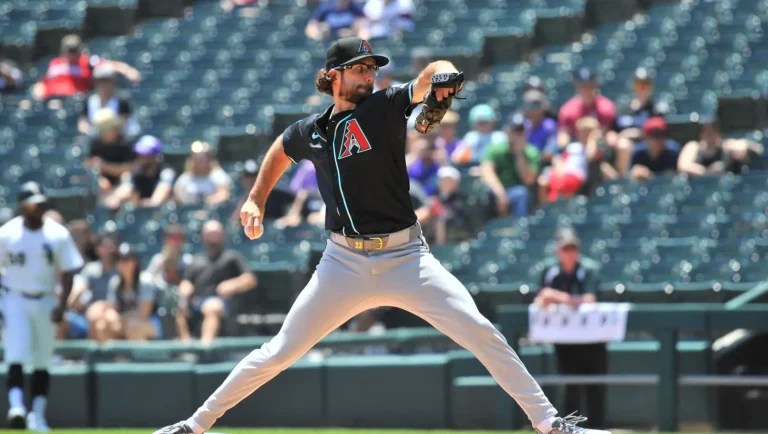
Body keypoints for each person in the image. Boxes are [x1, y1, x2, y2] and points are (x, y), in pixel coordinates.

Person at [153, 37, 609, 434]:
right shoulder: (310, 131)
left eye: (373, 67)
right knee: (277, 353)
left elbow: (430, 76)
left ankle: (550, 425)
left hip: (406, 256)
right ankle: (193, 426)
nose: (369, 74)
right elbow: (280, 149)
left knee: (480, 330)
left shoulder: (385, 107)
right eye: (360, 68)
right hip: (342, 263)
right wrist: (255, 198)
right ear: (333, 76)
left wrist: (443, 74)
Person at [0, 182, 84, 431]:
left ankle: (37, 414)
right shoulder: (7, 233)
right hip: (14, 297)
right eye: (33, 203)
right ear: (22, 206)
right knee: (15, 355)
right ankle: (16, 408)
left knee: (42, 360)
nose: (39, 208)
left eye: (41, 203)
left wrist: (62, 305)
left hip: (46, 299)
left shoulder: (57, 233)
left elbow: (69, 271)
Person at [534, 228, 607, 429]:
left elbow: (590, 300)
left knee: (595, 387)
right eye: (565, 248)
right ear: (558, 251)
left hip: (592, 340)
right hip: (564, 340)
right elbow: (540, 299)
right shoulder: (549, 271)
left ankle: (597, 429)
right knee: (569, 387)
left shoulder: (589, 269)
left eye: (573, 248)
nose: (569, 253)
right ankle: (570, 429)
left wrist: (558, 297)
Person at [176, 221, 257, 345]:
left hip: (224, 302)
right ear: (203, 237)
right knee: (179, 307)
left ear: (223, 235)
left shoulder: (232, 257)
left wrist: (233, 284)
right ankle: (186, 346)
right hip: (197, 301)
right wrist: (184, 290)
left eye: (216, 233)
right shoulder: (195, 260)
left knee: (213, 306)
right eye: (210, 233)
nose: (213, 236)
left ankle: (205, 347)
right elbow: (186, 281)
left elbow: (250, 279)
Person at [31, 34, 140, 100]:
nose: (71, 54)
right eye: (69, 50)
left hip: (75, 101)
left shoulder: (87, 61)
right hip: (53, 100)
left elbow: (110, 65)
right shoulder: (55, 63)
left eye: (74, 50)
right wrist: (38, 91)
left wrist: (127, 70)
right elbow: (43, 82)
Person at [480, 113, 541, 217]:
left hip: (517, 191)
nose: (518, 134)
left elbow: (528, 180)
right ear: (507, 132)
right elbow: (487, 173)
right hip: (497, 190)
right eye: (515, 130)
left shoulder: (532, 152)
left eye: (521, 131)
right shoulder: (495, 149)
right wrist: (501, 194)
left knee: (521, 193)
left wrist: (519, 154)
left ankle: (520, 230)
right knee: (481, 196)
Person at [104, 135, 175, 209]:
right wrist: (116, 198)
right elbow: (126, 187)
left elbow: (162, 191)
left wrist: (153, 202)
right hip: (140, 213)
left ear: (155, 156)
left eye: (146, 155)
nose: (142, 158)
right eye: (140, 154)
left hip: (162, 213)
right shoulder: (136, 172)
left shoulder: (166, 171)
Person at [78, 65, 140, 138]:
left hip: (123, 140)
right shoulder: (89, 100)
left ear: (113, 82)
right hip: (99, 140)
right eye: (99, 81)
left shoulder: (122, 100)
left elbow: (123, 123)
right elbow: (83, 122)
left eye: (106, 81)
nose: (102, 85)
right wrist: (88, 130)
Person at [172, 142, 232, 206]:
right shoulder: (185, 178)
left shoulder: (218, 175)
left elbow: (224, 195)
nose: (199, 160)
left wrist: (206, 203)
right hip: (188, 212)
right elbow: (177, 197)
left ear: (209, 159)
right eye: (196, 157)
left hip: (212, 213)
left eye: (202, 157)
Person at [629, 117, 679, 182]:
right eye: (655, 135)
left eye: (662, 134)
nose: (658, 139)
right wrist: (636, 173)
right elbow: (629, 175)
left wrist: (651, 176)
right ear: (645, 137)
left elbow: (673, 177)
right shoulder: (638, 152)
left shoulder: (672, 151)